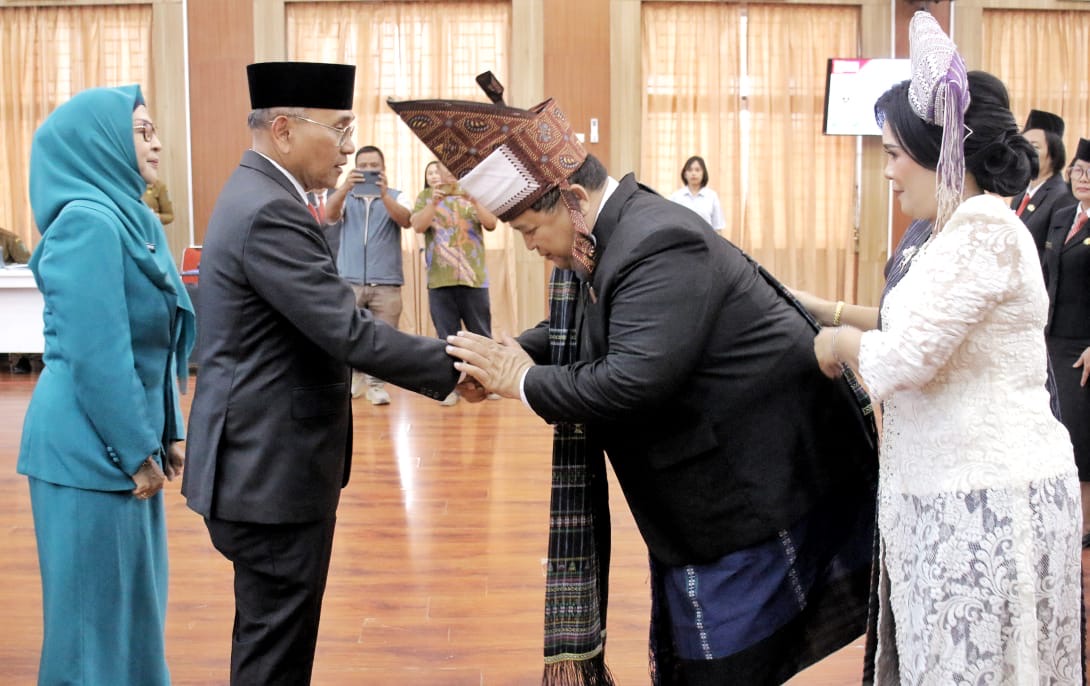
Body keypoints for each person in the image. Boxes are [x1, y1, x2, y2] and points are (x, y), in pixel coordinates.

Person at [392, 74, 879, 684]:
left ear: (571, 198)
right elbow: (593, 328)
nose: (532, 247)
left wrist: (520, 380)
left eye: (529, 231)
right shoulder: (612, 233)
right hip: (709, 485)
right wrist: (511, 352)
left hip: (753, 483)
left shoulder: (658, 241)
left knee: (722, 670)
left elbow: (632, 378)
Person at [811, 12, 1082, 682]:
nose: (888, 172)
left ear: (940, 153)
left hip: (990, 505)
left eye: (894, 155)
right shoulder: (951, 234)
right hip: (950, 500)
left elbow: (905, 356)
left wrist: (840, 341)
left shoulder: (984, 230)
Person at [182, 62, 461, 686]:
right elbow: (349, 331)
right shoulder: (269, 210)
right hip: (268, 472)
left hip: (263, 465)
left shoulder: (259, 193)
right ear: (284, 130)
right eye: (339, 129)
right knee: (275, 653)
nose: (346, 147)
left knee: (270, 637)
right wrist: (461, 365)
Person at [18, 85, 195, 685]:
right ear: (101, 142)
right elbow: (98, 356)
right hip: (85, 449)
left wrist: (166, 432)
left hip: (122, 442)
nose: (157, 143)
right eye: (142, 132)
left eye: (154, 129)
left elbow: (158, 341)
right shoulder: (86, 223)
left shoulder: (132, 216)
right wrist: (136, 448)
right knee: (90, 626)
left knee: (129, 611)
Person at [324, 144, 413, 405]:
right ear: (355, 169)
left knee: (383, 338)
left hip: (386, 282)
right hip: (349, 281)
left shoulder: (397, 196)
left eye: (374, 166)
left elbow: (406, 220)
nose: (368, 170)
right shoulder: (346, 197)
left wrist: (384, 196)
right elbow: (329, 216)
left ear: (384, 169)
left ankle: (376, 385)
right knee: (348, 334)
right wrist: (344, 188)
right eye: (363, 166)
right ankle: (354, 379)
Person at [409, 160, 498, 406]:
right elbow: (418, 226)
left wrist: (474, 201)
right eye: (442, 169)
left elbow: (491, 224)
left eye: (451, 169)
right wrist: (433, 203)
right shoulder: (426, 196)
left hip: (474, 279)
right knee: (446, 339)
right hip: (440, 279)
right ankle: (449, 388)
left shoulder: (475, 194)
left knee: (481, 335)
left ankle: (489, 383)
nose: (447, 173)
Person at [1042, 137, 1090, 548]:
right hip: (1051, 339)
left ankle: (1083, 526)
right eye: (1078, 170)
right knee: (1053, 428)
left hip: (1083, 346)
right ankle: (1059, 517)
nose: (1083, 178)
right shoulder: (1062, 215)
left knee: (1080, 436)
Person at [1010, 109, 1073, 257]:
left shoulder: (1062, 197)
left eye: (1035, 147)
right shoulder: (1020, 193)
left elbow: (1053, 255)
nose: (1026, 152)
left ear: (1054, 153)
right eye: (1023, 145)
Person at [668, 155, 725, 231]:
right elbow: (670, 223)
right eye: (690, 170)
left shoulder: (711, 196)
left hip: (706, 238)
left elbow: (718, 227)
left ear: (703, 173)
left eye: (697, 170)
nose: (693, 173)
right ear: (685, 174)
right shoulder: (676, 197)